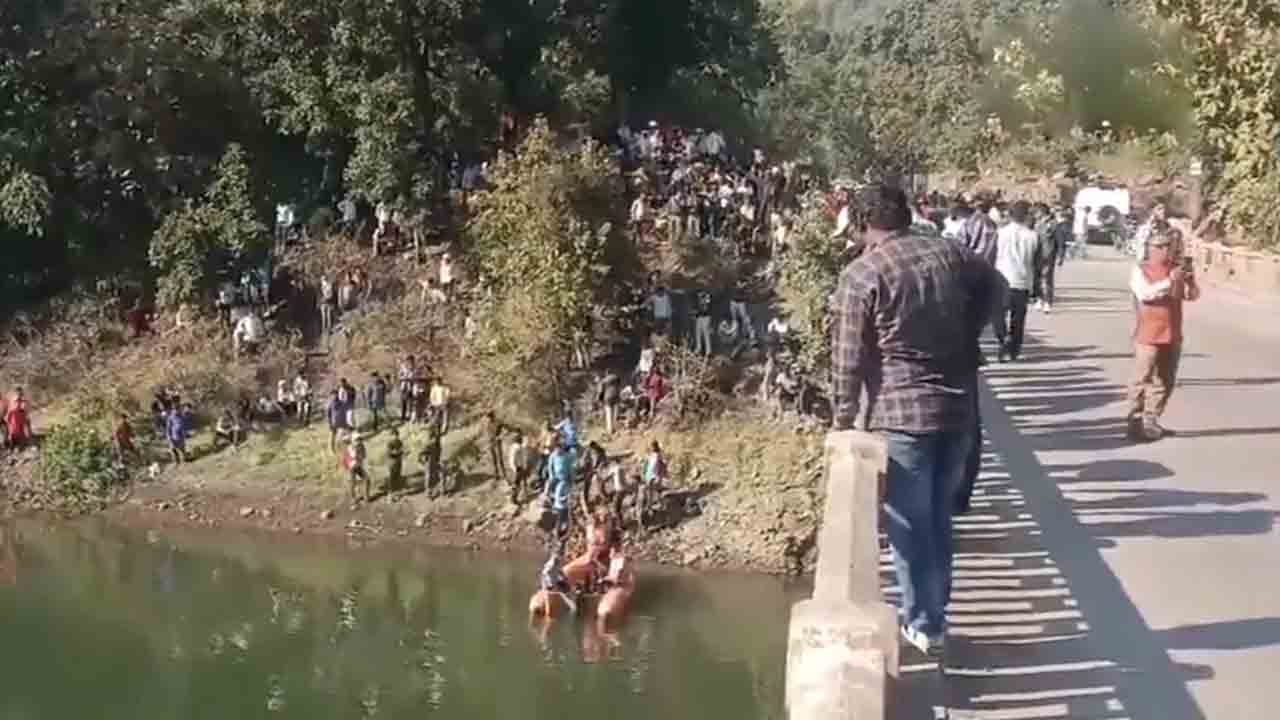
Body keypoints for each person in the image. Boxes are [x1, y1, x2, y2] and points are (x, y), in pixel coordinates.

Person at [830, 184, 1000, 658]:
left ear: (864, 224)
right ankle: (934, 617)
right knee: (940, 517)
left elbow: (845, 361)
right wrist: (969, 331)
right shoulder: (950, 253)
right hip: (958, 407)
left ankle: (921, 621)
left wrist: (844, 419)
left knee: (908, 522)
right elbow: (996, 286)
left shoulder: (862, 275)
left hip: (902, 414)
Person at [1127, 231, 1199, 441]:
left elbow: (1191, 296)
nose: (1166, 250)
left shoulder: (1174, 270)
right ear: (1150, 248)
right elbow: (1145, 293)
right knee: (1141, 379)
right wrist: (1169, 281)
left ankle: (1151, 420)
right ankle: (1134, 421)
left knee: (1165, 381)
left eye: (1169, 246)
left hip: (1172, 333)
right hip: (1148, 334)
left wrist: (1191, 281)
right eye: (1161, 246)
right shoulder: (1141, 270)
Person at [993, 200, 1039, 362]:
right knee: (1018, 319)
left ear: (1010, 215)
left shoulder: (999, 233)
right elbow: (1037, 262)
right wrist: (1036, 287)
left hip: (1001, 279)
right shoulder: (1033, 235)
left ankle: (1003, 338)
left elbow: (991, 255)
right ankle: (1014, 350)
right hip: (1023, 281)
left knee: (997, 315)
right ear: (1026, 216)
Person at [543, 435, 576, 541]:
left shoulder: (566, 456)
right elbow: (550, 466)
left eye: (559, 448)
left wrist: (571, 477)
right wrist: (552, 475)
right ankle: (548, 500)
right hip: (556, 477)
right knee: (550, 487)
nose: (558, 450)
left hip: (564, 478)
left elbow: (570, 468)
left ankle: (562, 514)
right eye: (556, 448)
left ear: (561, 448)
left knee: (563, 495)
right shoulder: (553, 456)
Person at [638, 441, 667, 531]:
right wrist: (643, 473)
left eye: (652, 446)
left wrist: (661, 476)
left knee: (653, 492)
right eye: (651, 447)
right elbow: (646, 465)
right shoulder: (651, 456)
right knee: (650, 492)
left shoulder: (659, 455)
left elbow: (662, 466)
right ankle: (652, 507)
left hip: (654, 476)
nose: (652, 448)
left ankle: (656, 507)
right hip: (649, 476)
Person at [508, 432, 533, 504]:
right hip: (518, 468)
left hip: (518, 467)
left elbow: (512, 459)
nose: (522, 440)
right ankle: (514, 498)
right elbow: (514, 459)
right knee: (517, 484)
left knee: (521, 482)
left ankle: (524, 494)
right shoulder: (517, 448)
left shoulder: (514, 447)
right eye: (521, 439)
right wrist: (515, 468)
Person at [597, 369, 621, 435]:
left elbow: (600, 392)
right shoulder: (616, 377)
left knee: (609, 413)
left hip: (607, 398)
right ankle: (617, 426)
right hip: (616, 396)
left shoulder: (604, 381)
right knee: (616, 412)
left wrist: (599, 399)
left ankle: (610, 430)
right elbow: (619, 385)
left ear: (606, 374)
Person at [483, 411, 506, 484]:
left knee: (500, 458)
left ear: (493, 416)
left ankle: (503, 473)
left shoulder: (498, 422)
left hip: (497, 441)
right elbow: (487, 433)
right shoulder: (487, 424)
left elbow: (504, 429)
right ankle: (497, 474)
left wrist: (500, 436)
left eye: (490, 417)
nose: (489, 418)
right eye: (488, 417)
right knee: (494, 459)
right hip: (491, 442)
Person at [347, 433, 370, 502]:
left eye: (360, 439)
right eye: (357, 440)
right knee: (353, 482)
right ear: (354, 440)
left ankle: (366, 496)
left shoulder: (361, 446)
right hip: (352, 467)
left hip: (358, 465)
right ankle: (353, 498)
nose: (359, 441)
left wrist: (360, 452)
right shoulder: (351, 447)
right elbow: (354, 456)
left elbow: (364, 456)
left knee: (367, 479)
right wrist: (357, 451)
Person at [692, 289, 713, 356]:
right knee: (698, 333)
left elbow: (706, 307)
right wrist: (695, 313)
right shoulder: (698, 299)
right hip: (699, 317)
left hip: (706, 317)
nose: (699, 295)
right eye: (698, 294)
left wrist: (704, 298)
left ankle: (708, 351)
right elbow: (698, 308)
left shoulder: (707, 297)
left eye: (700, 294)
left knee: (706, 334)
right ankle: (698, 348)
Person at [397, 355, 417, 422]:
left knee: (411, 403)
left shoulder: (415, 368)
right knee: (403, 402)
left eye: (411, 361)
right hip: (404, 386)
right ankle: (403, 417)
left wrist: (411, 379)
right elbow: (399, 376)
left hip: (411, 387)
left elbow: (416, 377)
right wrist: (403, 378)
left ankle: (410, 416)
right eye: (408, 360)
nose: (410, 362)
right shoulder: (403, 367)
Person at [386, 427, 405, 492]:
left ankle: (397, 490)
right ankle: (390, 492)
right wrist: (398, 452)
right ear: (391, 435)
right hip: (392, 461)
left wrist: (403, 452)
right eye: (394, 435)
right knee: (391, 477)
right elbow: (389, 452)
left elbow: (402, 450)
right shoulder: (390, 443)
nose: (395, 436)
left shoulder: (400, 442)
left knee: (398, 475)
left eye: (397, 435)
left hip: (399, 460)